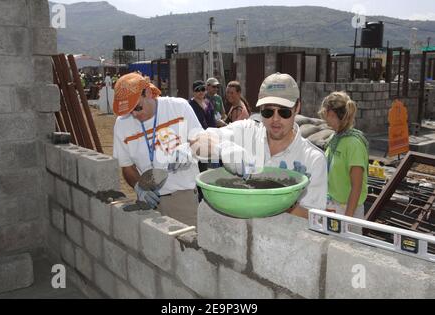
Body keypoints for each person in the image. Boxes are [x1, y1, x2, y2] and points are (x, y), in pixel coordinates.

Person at [191, 73, 327, 218]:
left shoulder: (313, 159)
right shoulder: (246, 132)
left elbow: (315, 216)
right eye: (268, 111)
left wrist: (278, 199)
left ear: (297, 107)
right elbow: (195, 140)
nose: (275, 119)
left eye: (284, 112)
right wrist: (222, 148)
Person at [112, 73, 203, 226]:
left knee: (186, 247)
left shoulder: (178, 108)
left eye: (137, 108)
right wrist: (139, 187)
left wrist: (189, 149)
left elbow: (203, 141)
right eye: (129, 111)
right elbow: (127, 167)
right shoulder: (121, 124)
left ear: (147, 92)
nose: (134, 114)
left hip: (182, 198)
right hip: (148, 202)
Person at [318, 91, 369, 219]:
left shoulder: (354, 144)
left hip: (348, 210)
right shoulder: (334, 138)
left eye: (325, 115)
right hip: (333, 205)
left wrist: (347, 219)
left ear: (331, 113)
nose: (324, 118)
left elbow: (356, 186)